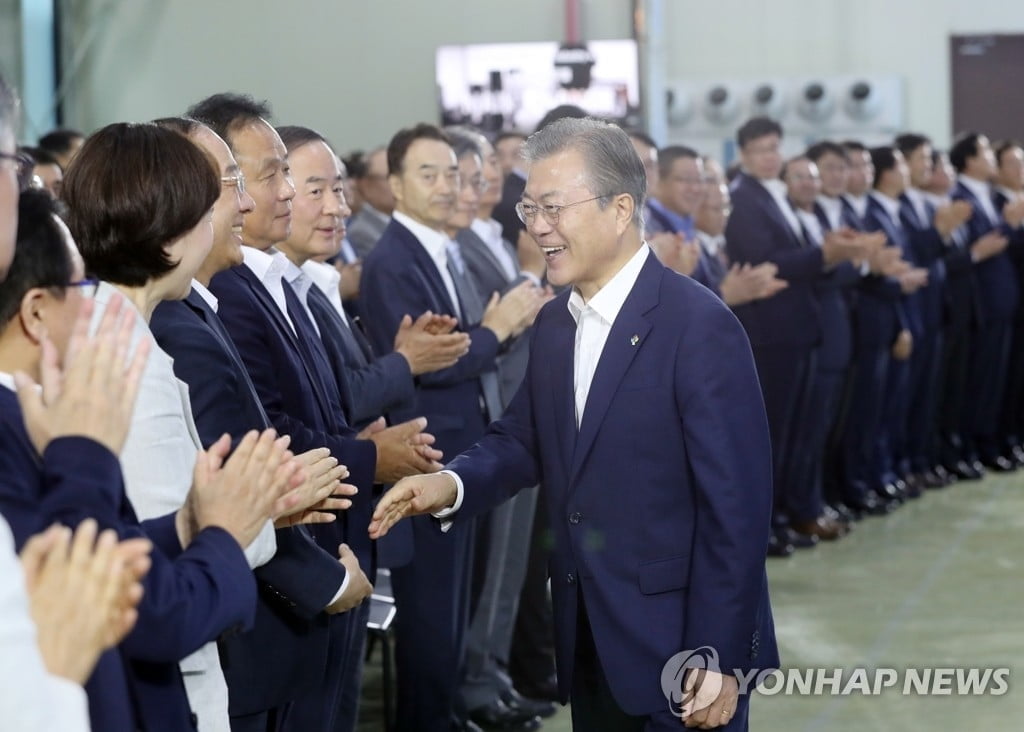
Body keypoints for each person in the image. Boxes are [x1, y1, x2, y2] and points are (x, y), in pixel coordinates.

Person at [369, 117, 779, 731]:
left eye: (554, 208)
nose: (537, 226)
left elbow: (738, 511)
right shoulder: (558, 323)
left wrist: (719, 655)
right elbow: (526, 436)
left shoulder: (698, 327)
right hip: (592, 642)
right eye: (530, 207)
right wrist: (449, 485)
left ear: (620, 210)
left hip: (683, 651)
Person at [63, 121, 305, 731]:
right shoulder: (125, 357)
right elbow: (166, 560)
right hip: (166, 677)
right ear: (172, 231)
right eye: (213, 206)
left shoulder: (109, 327)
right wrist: (249, 513)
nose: (238, 212)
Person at [359, 123, 541, 732]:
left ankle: (445, 714)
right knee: (432, 613)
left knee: (456, 603)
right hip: (428, 454)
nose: (446, 188)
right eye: (428, 176)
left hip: (460, 449)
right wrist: (498, 329)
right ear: (395, 184)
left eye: (453, 176)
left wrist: (480, 335)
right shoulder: (393, 260)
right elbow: (431, 365)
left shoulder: (443, 246)